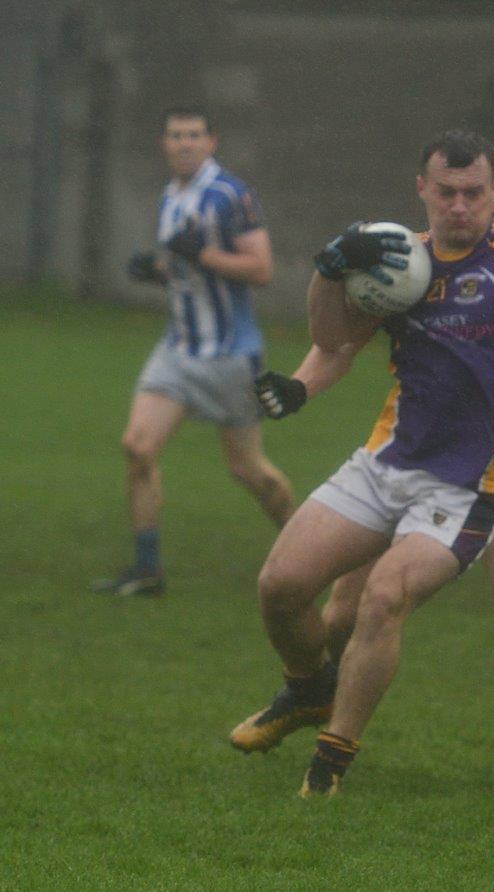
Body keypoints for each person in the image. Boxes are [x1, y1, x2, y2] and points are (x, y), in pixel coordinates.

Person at [229, 129, 494, 797]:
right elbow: (333, 339)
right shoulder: (398, 264)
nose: (459, 205)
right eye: (446, 192)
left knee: (386, 598)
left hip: (468, 485)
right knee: (279, 588)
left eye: (473, 193)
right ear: (422, 190)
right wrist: (327, 269)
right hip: (386, 464)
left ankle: (329, 766)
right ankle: (308, 690)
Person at [92, 107, 294, 596]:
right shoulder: (170, 196)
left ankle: (309, 550)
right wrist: (158, 271)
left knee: (248, 470)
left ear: (211, 141)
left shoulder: (230, 195)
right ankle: (147, 572)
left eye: (194, 135)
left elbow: (261, 269)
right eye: (176, 135)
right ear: (164, 143)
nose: (184, 143)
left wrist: (198, 255)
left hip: (230, 354)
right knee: (137, 448)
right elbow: (186, 269)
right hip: (179, 347)